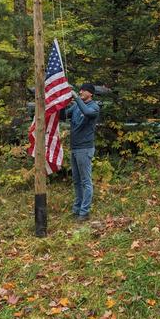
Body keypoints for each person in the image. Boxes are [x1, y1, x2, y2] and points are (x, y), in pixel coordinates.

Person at [62, 83, 100, 222]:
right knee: (76, 181)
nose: (81, 92)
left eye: (83, 91)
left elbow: (87, 113)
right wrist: (61, 102)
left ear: (90, 93)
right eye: (80, 91)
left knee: (85, 181)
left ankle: (84, 212)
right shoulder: (77, 105)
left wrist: (76, 98)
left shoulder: (93, 107)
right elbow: (64, 115)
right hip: (75, 147)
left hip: (85, 148)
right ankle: (77, 209)